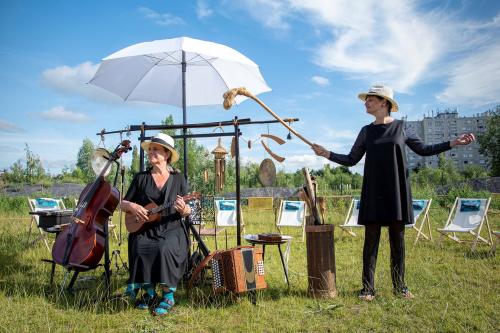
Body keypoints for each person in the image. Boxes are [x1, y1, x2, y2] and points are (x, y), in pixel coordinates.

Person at [312, 85, 475, 301]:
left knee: (397, 243)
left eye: (370, 99)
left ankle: (400, 287)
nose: (366, 102)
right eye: (366, 99)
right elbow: (352, 159)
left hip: (396, 192)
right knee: (370, 242)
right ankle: (368, 289)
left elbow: (423, 150)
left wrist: (452, 143)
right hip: (372, 192)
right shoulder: (366, 131)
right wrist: (327, 154)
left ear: (384, 103)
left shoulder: (403, 127)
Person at [121, 133, 191, 315]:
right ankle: (149, 292)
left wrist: (183, 209)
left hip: (171, 228)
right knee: (139, 244)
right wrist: (133, 205)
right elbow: (122, 203)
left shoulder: (178, 179)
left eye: (156, 149)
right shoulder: (140, 178)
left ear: (167, 154)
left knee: (164, 247)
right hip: (145, 227)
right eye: (150, 149)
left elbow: (189, 210)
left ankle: (168, 294)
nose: (151, 152)